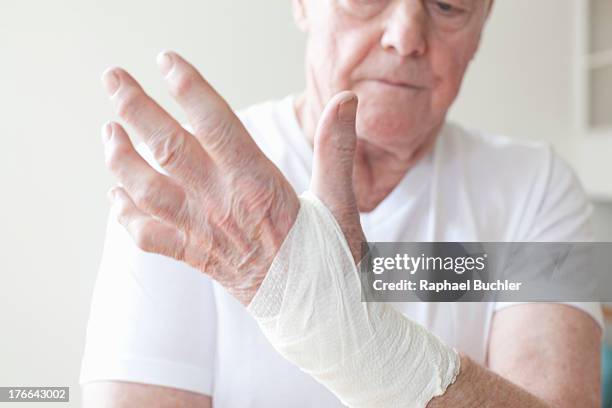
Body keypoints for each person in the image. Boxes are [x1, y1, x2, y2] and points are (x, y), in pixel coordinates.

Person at [80, 0, 603, 406]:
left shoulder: (540, 184)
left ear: (482, 25)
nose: (406, 37)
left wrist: (348, 341)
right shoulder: (192, 189)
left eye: (448, 4)